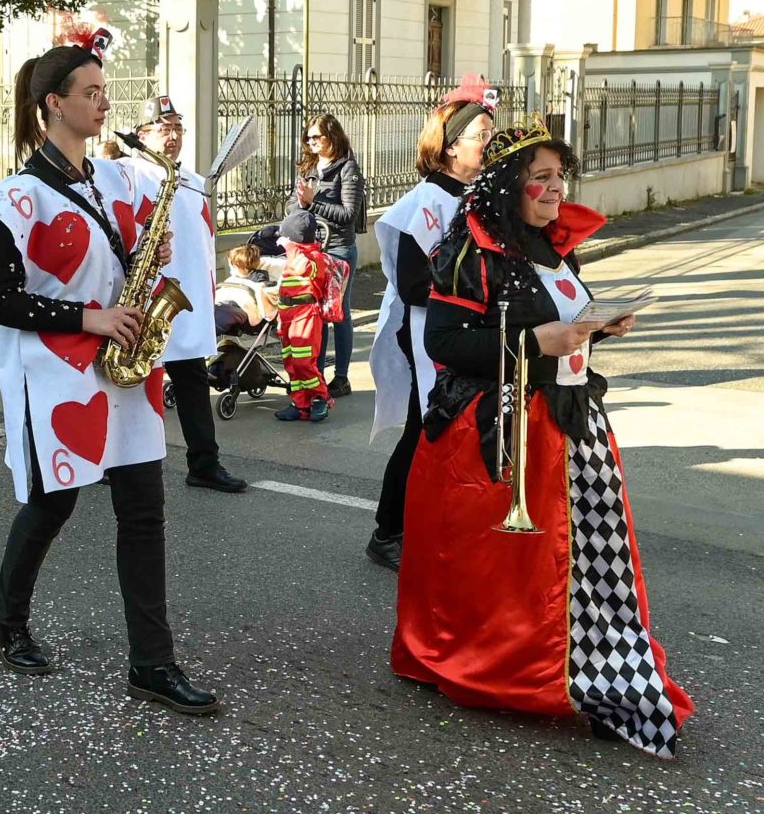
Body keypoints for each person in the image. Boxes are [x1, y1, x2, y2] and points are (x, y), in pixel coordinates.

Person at [394, 120, 691, 758]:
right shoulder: (470, 249)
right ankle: (511, 665)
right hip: (505, 432)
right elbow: (441, 341)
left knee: (580, 557)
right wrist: (536, 343)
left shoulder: (555, 246)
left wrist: (597, 327)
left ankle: (587, 656)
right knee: (523, 570)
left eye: (560, 178)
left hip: (569, 423)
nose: (556, 191)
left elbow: (559, 323)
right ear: (510, 186)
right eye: (542, 179)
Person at [0, 40, 218, 717]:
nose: (104, 101)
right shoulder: (20, 196)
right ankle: (8, 622)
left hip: (125, 368)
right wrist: (89, 317)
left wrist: (149, 250)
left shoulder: (111, 179)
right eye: (90, 91)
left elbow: (120, 259)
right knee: (54, 504)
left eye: (104, 90)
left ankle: (153, 662)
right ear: (54, 103)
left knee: (144, 510)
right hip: (57, 377)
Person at [365, 98, 492, 570]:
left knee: (451, 431)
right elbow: (414, 284)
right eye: (480, 136)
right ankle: (388, 531)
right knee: (424, 432)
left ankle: (434, 523)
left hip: (463, 331)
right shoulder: (421, 203)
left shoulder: (474, 197)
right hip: (425, 333)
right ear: (452, 144)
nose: (488, 144)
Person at [127, 95, 247, 492]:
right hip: (146, 300)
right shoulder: (128, 174)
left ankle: (204, 463)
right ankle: (119, 462)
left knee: (192, 382)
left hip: (183, 304)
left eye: (179, 127)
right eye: (165, 128)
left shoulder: (192, 180)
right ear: (143, 134)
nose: (175, 135)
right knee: (132, 384)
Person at [289, 113, 366, 398]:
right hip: (312, 248)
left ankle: (342, 377)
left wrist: (314, 202)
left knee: (338, 312)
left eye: (316, 137)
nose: (311, 143)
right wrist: (299, 202)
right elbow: (292, 205)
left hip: (339, 248)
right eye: (307, 138)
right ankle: (316, 375)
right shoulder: (309, 167)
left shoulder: (348, 169)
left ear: (331, 137)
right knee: (315, 314)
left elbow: (348, 214)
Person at [271, 226, 333, 422]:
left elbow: (303, 268)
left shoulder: (314, 257)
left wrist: (291, 247)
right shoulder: (294, 255)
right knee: (291, 362)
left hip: (305, 314)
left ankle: (321, 397)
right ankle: (300, 404)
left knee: (303, 361)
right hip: (288, 314)